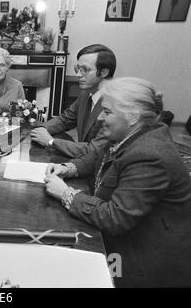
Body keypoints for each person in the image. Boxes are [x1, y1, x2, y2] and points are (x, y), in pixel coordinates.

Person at [44, 77, 191, 287]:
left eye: (107, 112)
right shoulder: (130, 134)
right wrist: (68, 168)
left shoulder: (150, 155)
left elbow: (116, 218)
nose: (100, 118)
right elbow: (98, 158)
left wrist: (66, 193)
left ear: (133, 116)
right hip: (127, 238)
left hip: (142, 259)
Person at [31, 44, 116, 158]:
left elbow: (95, 151)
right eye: (78, 69)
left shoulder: (113, 104)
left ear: (104, 72)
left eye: (85, 70)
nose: (78, 74)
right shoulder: (85, 94)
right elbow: (66, 120)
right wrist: (42, 129)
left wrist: (51, 141)